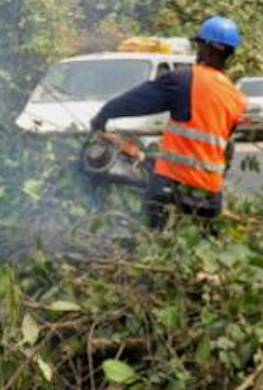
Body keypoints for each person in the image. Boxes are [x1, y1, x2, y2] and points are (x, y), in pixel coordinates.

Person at [90, 16, 247, 230]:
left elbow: (137, 101)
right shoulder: (237, 98)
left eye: (199, 44)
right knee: (200, 251)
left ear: (210, 48)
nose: (197, 50)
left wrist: (103, 116)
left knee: (151, 240)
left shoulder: (185, 79)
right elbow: (223, 147)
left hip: (173, 184)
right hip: (210, 192)